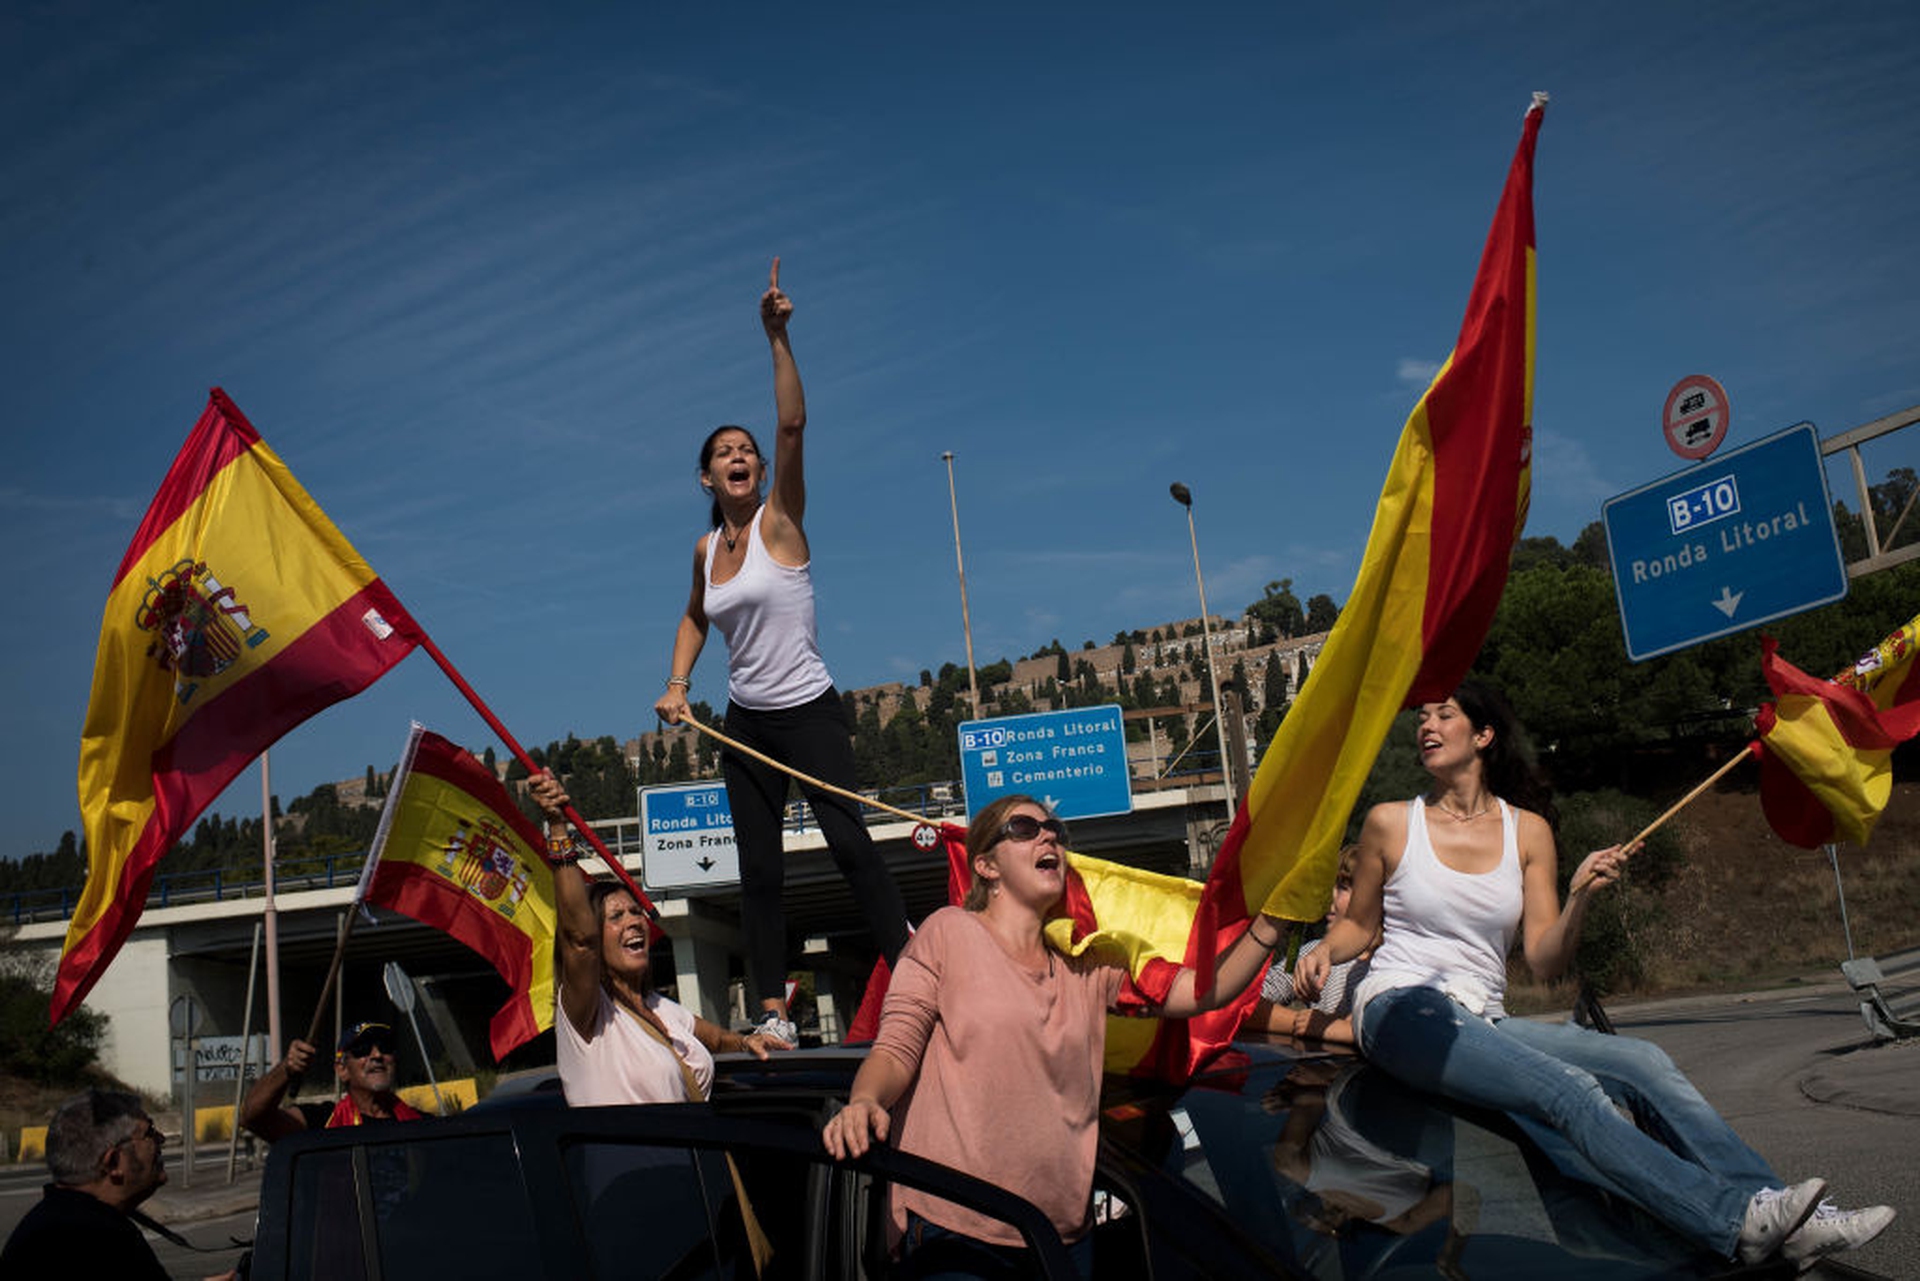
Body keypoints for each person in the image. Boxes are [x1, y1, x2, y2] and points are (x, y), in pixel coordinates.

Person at [1295, 681, 1895, 1269]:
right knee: (1568, 1091)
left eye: (1443, 714)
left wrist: (1579, 896)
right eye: (1422, 717)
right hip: (1400, 1005)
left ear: (1482, 735)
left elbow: (1545, 960)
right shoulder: (1391, 823)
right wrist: (1324, 948)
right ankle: (1733, 1220)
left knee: (1643, 1063)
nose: (1426, 725)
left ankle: (1781, 1214)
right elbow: (1362, 927)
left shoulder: (1526, 832)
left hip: (1483, 1017)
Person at [821, 794, 1291, 1277]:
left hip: (1063, 1242)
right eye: (1024, 828)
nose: (1049, 836)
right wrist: (865, 1101)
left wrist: (1274, 922)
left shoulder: (1088, 961)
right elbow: (896, 1047)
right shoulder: (948, 934)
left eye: (1055, 831)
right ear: (985, 866)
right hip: (957, 1227)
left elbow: (1202, 992)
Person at [652, 259, 910, 1046]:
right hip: (747, 724)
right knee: (757, 871)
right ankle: (771, 1010)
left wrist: (778, 335)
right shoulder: (704, 549)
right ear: (707, 474)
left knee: (849, 845)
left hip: (809, 714)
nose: (740, 454)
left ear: (761, 470)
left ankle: (914, 966)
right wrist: (676, 682)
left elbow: (794, 423)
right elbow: (696, 616)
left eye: (748, 449)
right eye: (724, 450)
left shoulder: (780, 520)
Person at [534, 771, 789, 1105]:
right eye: (616, 916)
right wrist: (557, 828)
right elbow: (579, 939)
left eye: (635, 911)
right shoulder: (586, 1013)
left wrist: (747, 1044)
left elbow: (720, 1039)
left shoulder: (661, 1009)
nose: (634, 922)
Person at [0, 1089, 232, 1280]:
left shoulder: (55, 1223)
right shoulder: (99, 1240)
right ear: (113, 1163)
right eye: (149, 1133)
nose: (161, 1139)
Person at [1248, 844, 1372, 1044]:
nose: (1327, 899)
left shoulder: (1393, 960)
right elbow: (1242, 1003)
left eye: (1342, 886)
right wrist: (1303, 1022)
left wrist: (1342, 1030)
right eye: (1327, 887)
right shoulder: (1312, 953)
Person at [239, 1020, 424, 1141]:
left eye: (385, 1048)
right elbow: (253, 1117)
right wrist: (286, 1069)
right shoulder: (322, 1124)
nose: (376, 1055)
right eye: (363, 1049)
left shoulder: (422, 1125)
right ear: (342, 1069)